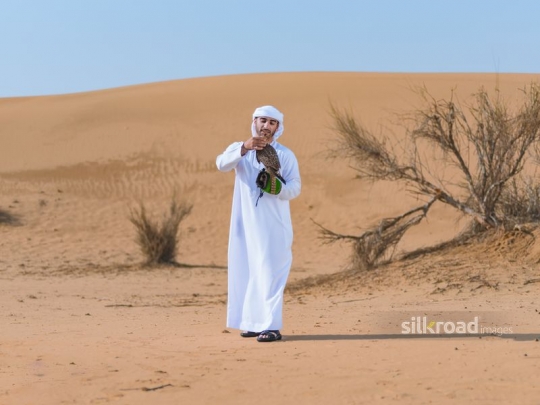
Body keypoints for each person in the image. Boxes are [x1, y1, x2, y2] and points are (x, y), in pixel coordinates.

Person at [216, 105, 301, 342]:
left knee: (271, 273)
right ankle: (254, 323)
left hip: (273, 226)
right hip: (245, 225)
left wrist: (277, 187)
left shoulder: (285, 154)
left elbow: (295, 187)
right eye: (263, 120)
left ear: (278, 127)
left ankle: (271, 326)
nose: (266, 126)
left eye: (272, 122)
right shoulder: (239, 149)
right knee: (248, 271)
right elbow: (221, 164)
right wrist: (244, 148)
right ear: (254, 122)